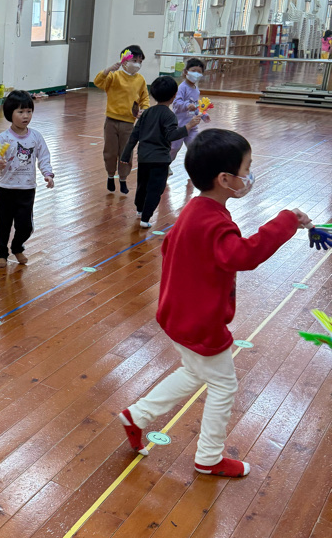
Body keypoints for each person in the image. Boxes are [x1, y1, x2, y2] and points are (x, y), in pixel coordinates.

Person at [118, 128, 311, 478]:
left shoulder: (196, 208)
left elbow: (169, 248)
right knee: (224, 385)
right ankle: (208, 458)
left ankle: (137, 416)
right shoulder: (213, 220)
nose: (249, 175)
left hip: (176, 314)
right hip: (199, 323)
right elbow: (243, 255)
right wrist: (285, 221)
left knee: (193, 372)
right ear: (225, 179)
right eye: (246, 168)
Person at [121, 76, 200, 228]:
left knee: (142, 185)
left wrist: (126, 154)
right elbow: (171, 136)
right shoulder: (169, 115)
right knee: (155, 189)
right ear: (174, 96)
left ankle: (140, 210)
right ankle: (145, 218)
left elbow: (134, 135)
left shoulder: (146, 113)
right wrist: (188, 126)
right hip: (160, 160)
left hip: (144, 157)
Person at [0, 89, 54, 269]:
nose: (26, 116)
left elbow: (44, 157)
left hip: (27, 189)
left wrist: (47, 174)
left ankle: (17, 246)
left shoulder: (36, 137)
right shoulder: (3, 137)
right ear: (10, 113)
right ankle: (1, 254)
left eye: (29, 111)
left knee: (26, 226)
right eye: (20, 111)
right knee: (3, 225)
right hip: (7, 189)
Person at [94, 44, 150, 195]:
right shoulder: (114, 76)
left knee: (126, 153)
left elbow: (144, 98)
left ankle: (123, 179)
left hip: (128, 123)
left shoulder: (140, 80)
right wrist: (108, 70)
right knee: (110, 152)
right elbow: (98, 82)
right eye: (134, 60)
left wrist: (144, 109)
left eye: (140, 62)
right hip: (111, 121)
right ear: (124, 61)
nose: (137, 64)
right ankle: (110, 176)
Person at [170, 58, 206, 169]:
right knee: (174, 148)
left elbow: (196, 105)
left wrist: (203, 114)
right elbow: (176, 103)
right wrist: (187, 105)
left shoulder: (196, 89)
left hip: (192, 126)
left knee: (194, 147)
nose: (196, 74)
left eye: (199, 72)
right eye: (193, 70)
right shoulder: (182, 87)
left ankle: (195, 168)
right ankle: (165, 164)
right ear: (186, 72)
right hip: (180, 126)